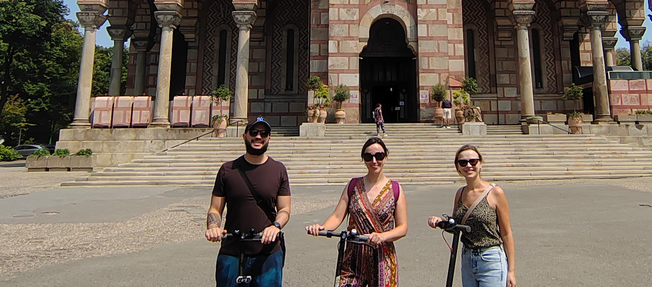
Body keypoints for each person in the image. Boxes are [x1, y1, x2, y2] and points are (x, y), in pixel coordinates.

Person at [307, 137, 408, 287]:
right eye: (369, 157)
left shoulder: (395, 189)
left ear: (385, 157)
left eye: (379, 156)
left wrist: (382, 236)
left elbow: (403, 227)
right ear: (363, 159)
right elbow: (337, 216)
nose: (374, 161)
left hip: (382, 256)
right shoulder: (353, 185)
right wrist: (322, 228)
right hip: (354, 256)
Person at [206, 117, 291, 287]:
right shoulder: (227, 170)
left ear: (269, 138)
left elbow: (285, 209)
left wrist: (275, 226)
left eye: (263, 133)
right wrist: (213, 226)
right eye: (253, 132)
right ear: (244, 136)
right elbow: (215, 208)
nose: (258, 136)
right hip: (232, 250)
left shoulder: (278, 169)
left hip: (267, 252)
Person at [427, 145, 516, 287]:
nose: (469, 165)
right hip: (467, 257)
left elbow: (506, 233)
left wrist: (511, 271)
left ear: (480, 163)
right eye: (463, 162)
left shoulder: (495, 193)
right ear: (458, 167)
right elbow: (455, 225)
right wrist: (440, 222)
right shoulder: (460, 193)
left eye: (473, 161)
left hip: (490, 257)